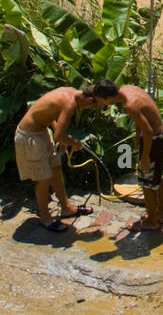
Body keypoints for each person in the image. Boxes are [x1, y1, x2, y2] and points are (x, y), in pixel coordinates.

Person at [14, 84, 105, 231]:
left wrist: (61, 137)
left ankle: (66, 208)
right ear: (89, 100)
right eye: (93, 106)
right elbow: (58, 136)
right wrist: (72, 142)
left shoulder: (70, 92)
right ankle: (45, 217)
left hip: (42, 132)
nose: (90, 109)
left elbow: (49, 113)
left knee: (56, 169)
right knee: (43, 179)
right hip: (29, 136)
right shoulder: (69, 104)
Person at [113, 83, 163, 232]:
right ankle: (162, 214)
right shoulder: (129, 89)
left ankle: (152, 221)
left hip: (153, 138)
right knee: (156, 177)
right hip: (160, 134)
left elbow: (148, 132)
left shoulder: (129, 106)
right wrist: (138, 134)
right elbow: (142, 117)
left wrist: (144, 157)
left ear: (107, 98)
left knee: (146, 182)